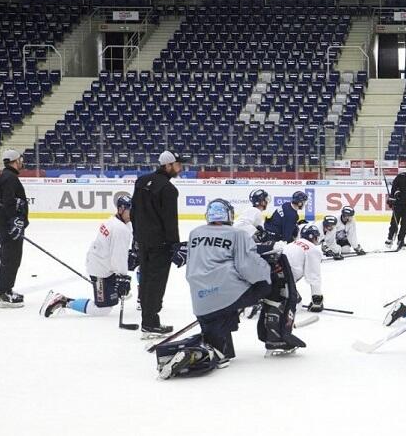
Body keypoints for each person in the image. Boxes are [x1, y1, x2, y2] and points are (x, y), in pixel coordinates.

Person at [155, 199, 303, 379]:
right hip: (226, 295)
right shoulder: (237, 234)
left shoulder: (195, 233)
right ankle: (276, 337)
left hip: (200, 301)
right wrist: (266, 273)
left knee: (218, 348)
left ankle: (211, 352)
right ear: (228, 215)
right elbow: (248, 267)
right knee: (270, 285)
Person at [40, 195, 134, 318]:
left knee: (114, 298)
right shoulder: (120, 229)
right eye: (130, 210)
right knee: (102, 310)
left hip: (101, 262)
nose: (133, 213)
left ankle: (112, 290)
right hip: (100, 270)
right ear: (121, 209)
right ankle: (63, 301)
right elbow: (118, 257)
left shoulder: (114, 221)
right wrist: (123, 277)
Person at [131, 150, 188, 336]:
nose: (180, 168)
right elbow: (170, 222)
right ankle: (150, 323)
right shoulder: (168, 189)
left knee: (146, 279)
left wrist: (136, 238)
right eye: (178, 165)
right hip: (160, 244)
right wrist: (175, 246)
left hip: (143, 241)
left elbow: (133, 213)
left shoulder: (141, 182)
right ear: (168, 165)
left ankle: (147, 321)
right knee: (156, 283)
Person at [0, 149, 29, 308]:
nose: (22, 162)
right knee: (10, 258)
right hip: (9, 227)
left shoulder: (8, 176)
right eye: (20, 159)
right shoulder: (9, 178)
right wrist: (15, 221)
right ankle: (3, 294)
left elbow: (12, 201)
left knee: (12, 258)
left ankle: (7, 290)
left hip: (9, 225)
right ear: (15, 161)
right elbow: (8, 202)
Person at [281, 224, 325, 313]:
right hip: (284, 280)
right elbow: (314, 275)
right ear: (313, 237)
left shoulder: (292, 243)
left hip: (273, 276)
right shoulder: (313, 249)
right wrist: (317, 300)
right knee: (297, 306)